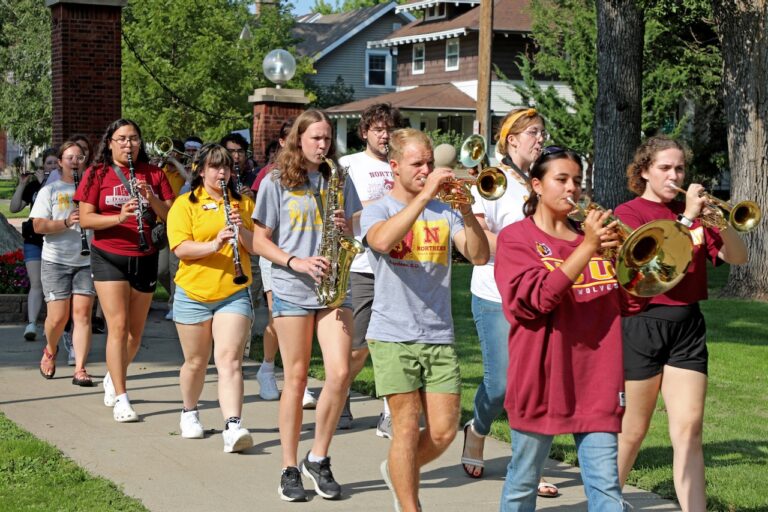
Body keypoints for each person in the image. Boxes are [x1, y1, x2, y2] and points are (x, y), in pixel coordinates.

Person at [494, 146, 649, 511]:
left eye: (577, 181)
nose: (571, 188)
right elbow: (536, 302)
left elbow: (629, 305)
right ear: (536, 185)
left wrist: (625, 263)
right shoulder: (516, 239)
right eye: (561, 179)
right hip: (543, 378)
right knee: (523, 483)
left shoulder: (593, 239)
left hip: (598, 378)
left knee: (607, 491)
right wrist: (589, 248)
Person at [614, 136, 747, 512]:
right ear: (644, 171)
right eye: (665, 168)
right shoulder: (629, 213)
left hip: (687, 325)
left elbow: (737, 257)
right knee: (633, 432)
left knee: (689, 431)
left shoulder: (695, 212)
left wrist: (723, 223)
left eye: (680, 168)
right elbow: (655, 268)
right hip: (643, 324)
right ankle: (605, 501)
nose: (675, 175)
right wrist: (687, 218)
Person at [361, 128, 489, 512]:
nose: (426, 169)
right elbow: (382, 242)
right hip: (391, 333)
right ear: (395, 167)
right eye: (417, 164)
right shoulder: (378, 208)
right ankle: (409, 504)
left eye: (430, 163)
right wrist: (426, 196)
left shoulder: (445, 210)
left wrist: (465, 209)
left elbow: (480, 256)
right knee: (405, 426)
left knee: (444, 431)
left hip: (439, 333)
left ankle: (399, 471)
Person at [251, 109, 361, 502]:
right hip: (292, 286)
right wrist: (294, 261)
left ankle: (319, 456)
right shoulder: (276, 182)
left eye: (327, 138)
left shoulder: (338, 178)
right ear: (298, 139)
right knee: (296, 378)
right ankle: (289, 466)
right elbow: (258, 240)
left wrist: (348, 225)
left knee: (340, 371)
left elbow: (357, 222)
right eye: (315, 138)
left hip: (333, 287)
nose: (323, 145)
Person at [460, 108, 559, 497]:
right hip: (493, 294)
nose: (540, 138)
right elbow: (480, 245)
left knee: (532, 386)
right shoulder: (488, 180)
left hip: (537, 296)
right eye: (533, 132)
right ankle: (477, 429)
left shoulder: (542, 180)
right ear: (511, 139)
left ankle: (527, 469)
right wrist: (530, 250)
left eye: (541, 131)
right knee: (500, 385)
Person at [76, 118, 174, 423]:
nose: (128, 144)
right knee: (117, 327)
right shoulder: (96, 173)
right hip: (109, 256)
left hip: (144, 255)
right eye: (121, 139)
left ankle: (113, 374)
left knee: (135, 333)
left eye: (133, 138)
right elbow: (86, 219)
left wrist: (151, 198)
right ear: (110, 143)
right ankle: (121, 396)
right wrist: (118, 218)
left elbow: (172, 216)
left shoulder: (154, 174)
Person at [167, 143, 256, 452]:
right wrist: (215, 243)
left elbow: (255, 246)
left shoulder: (242, 203)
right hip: (193, 293)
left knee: (230, 360)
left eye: (227, 167)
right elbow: (181, 249)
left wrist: (240, 228)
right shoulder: (185, 204)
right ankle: (189, 411)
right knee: (195, 362)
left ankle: (233, 426)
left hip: (233, 291)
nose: (222, 172)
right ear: (201, 170)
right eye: (216, 167)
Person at [337, 103, 404, 434]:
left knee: (395, 344)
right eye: (378, 129)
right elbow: (341, 216)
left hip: (401, 265)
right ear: (364, 132)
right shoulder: (349, 165)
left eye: (389, 129)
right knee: (359, 345)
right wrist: (384, 206)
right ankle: (341, 396)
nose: (384, 135)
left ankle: (390, 412)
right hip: (363, 265)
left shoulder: (402, 165)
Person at [30, 141, 95, 385]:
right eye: (69, 157)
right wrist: (66, 223)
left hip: (86, 261)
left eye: (80, 157)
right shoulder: (51, 190)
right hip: (56, 260)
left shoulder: (91, 190)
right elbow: (37, 226)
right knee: (58, 317)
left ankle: (80, 368)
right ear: (60, 162)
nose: (75, 161)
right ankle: (50, 348)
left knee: (83, 315)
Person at [251, 120, 293, 403]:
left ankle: (293, 378)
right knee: (279, 317)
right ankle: (268, 369)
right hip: (275, 254)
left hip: (308, 259)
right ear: (281, 142)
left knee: (303, 323)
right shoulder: (270, 175)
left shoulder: (322, 174)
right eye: (292, 138)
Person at [11, 149, 58, 342]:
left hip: (54, 240)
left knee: (53, 286)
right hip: (34, 240)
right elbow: (14, 208)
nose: (52, 167)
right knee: (36, 283)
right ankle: (31, 323)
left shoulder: (62, 187)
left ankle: (53, 323)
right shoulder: (34, 187)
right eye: (49, 163)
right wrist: (22, 185)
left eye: (56, 163)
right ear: (42, 166)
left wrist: (43, 184)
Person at [220, 132, 257, 197]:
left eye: (240, 151)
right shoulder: (218, 179)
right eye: (231, 151)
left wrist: (253, 197)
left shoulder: (254, 179)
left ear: (246, 155)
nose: (236, 156)